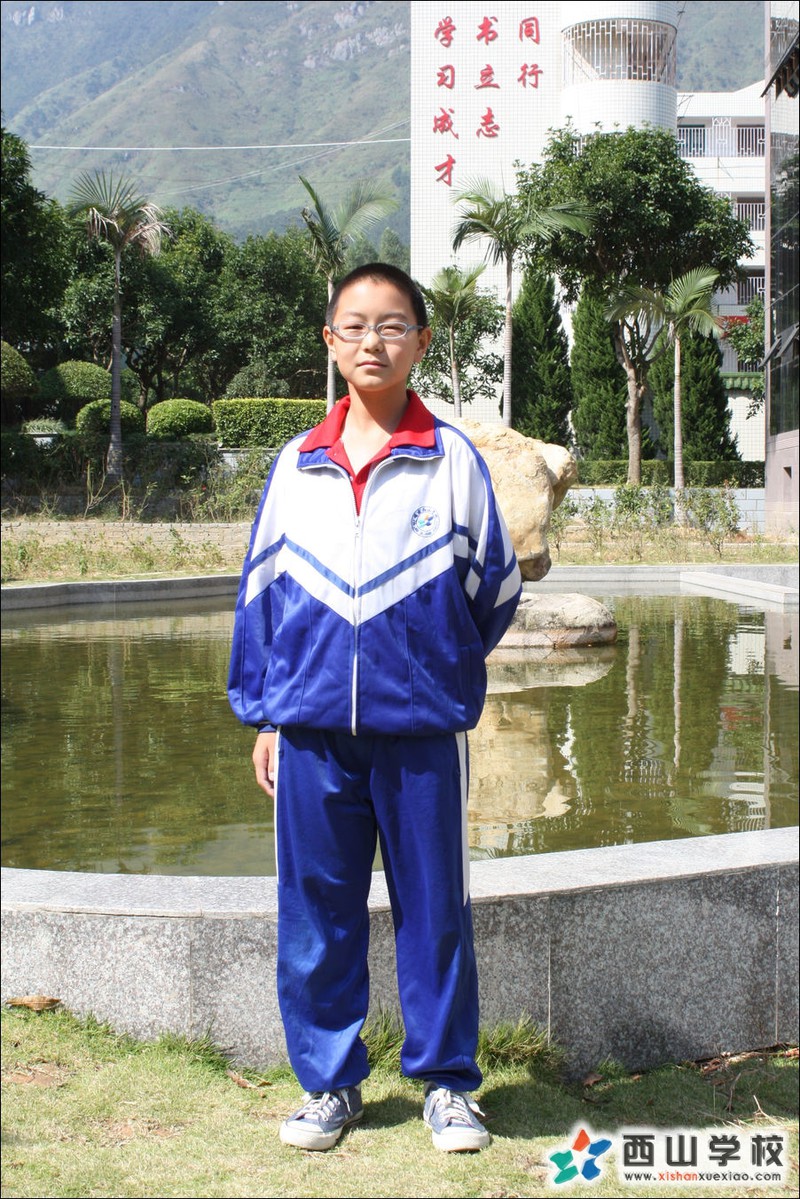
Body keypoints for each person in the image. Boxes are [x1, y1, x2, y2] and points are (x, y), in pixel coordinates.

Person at [228, 262, 521, 1153]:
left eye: (393, 326)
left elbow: (494, 590)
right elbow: (261, 597)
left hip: (421, 733)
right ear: (330, 341)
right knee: (316, 912)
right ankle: (329, 1082)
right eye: (354, 326)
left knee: (436, 911)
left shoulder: (452, 460)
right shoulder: (296, 465)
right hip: (312, 731)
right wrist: (268, 714)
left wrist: (431, 670)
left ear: (421, 342)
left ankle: (447, 1085)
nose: (372, 342)